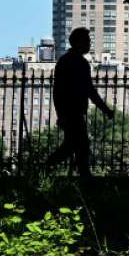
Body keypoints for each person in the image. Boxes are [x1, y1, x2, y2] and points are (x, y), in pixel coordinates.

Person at [45, 27, 114, 177]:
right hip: (74, 112)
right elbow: (90, 90)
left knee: (76, 145)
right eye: (87, 41)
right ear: (78, 42)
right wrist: (106, 110)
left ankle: (81, 174)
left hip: (69, 112)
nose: (89, 44)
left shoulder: (64, 61)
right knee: (77, 145)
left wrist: (60, 113)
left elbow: (57, 92)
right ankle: (48, 170)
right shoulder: (80, 63)